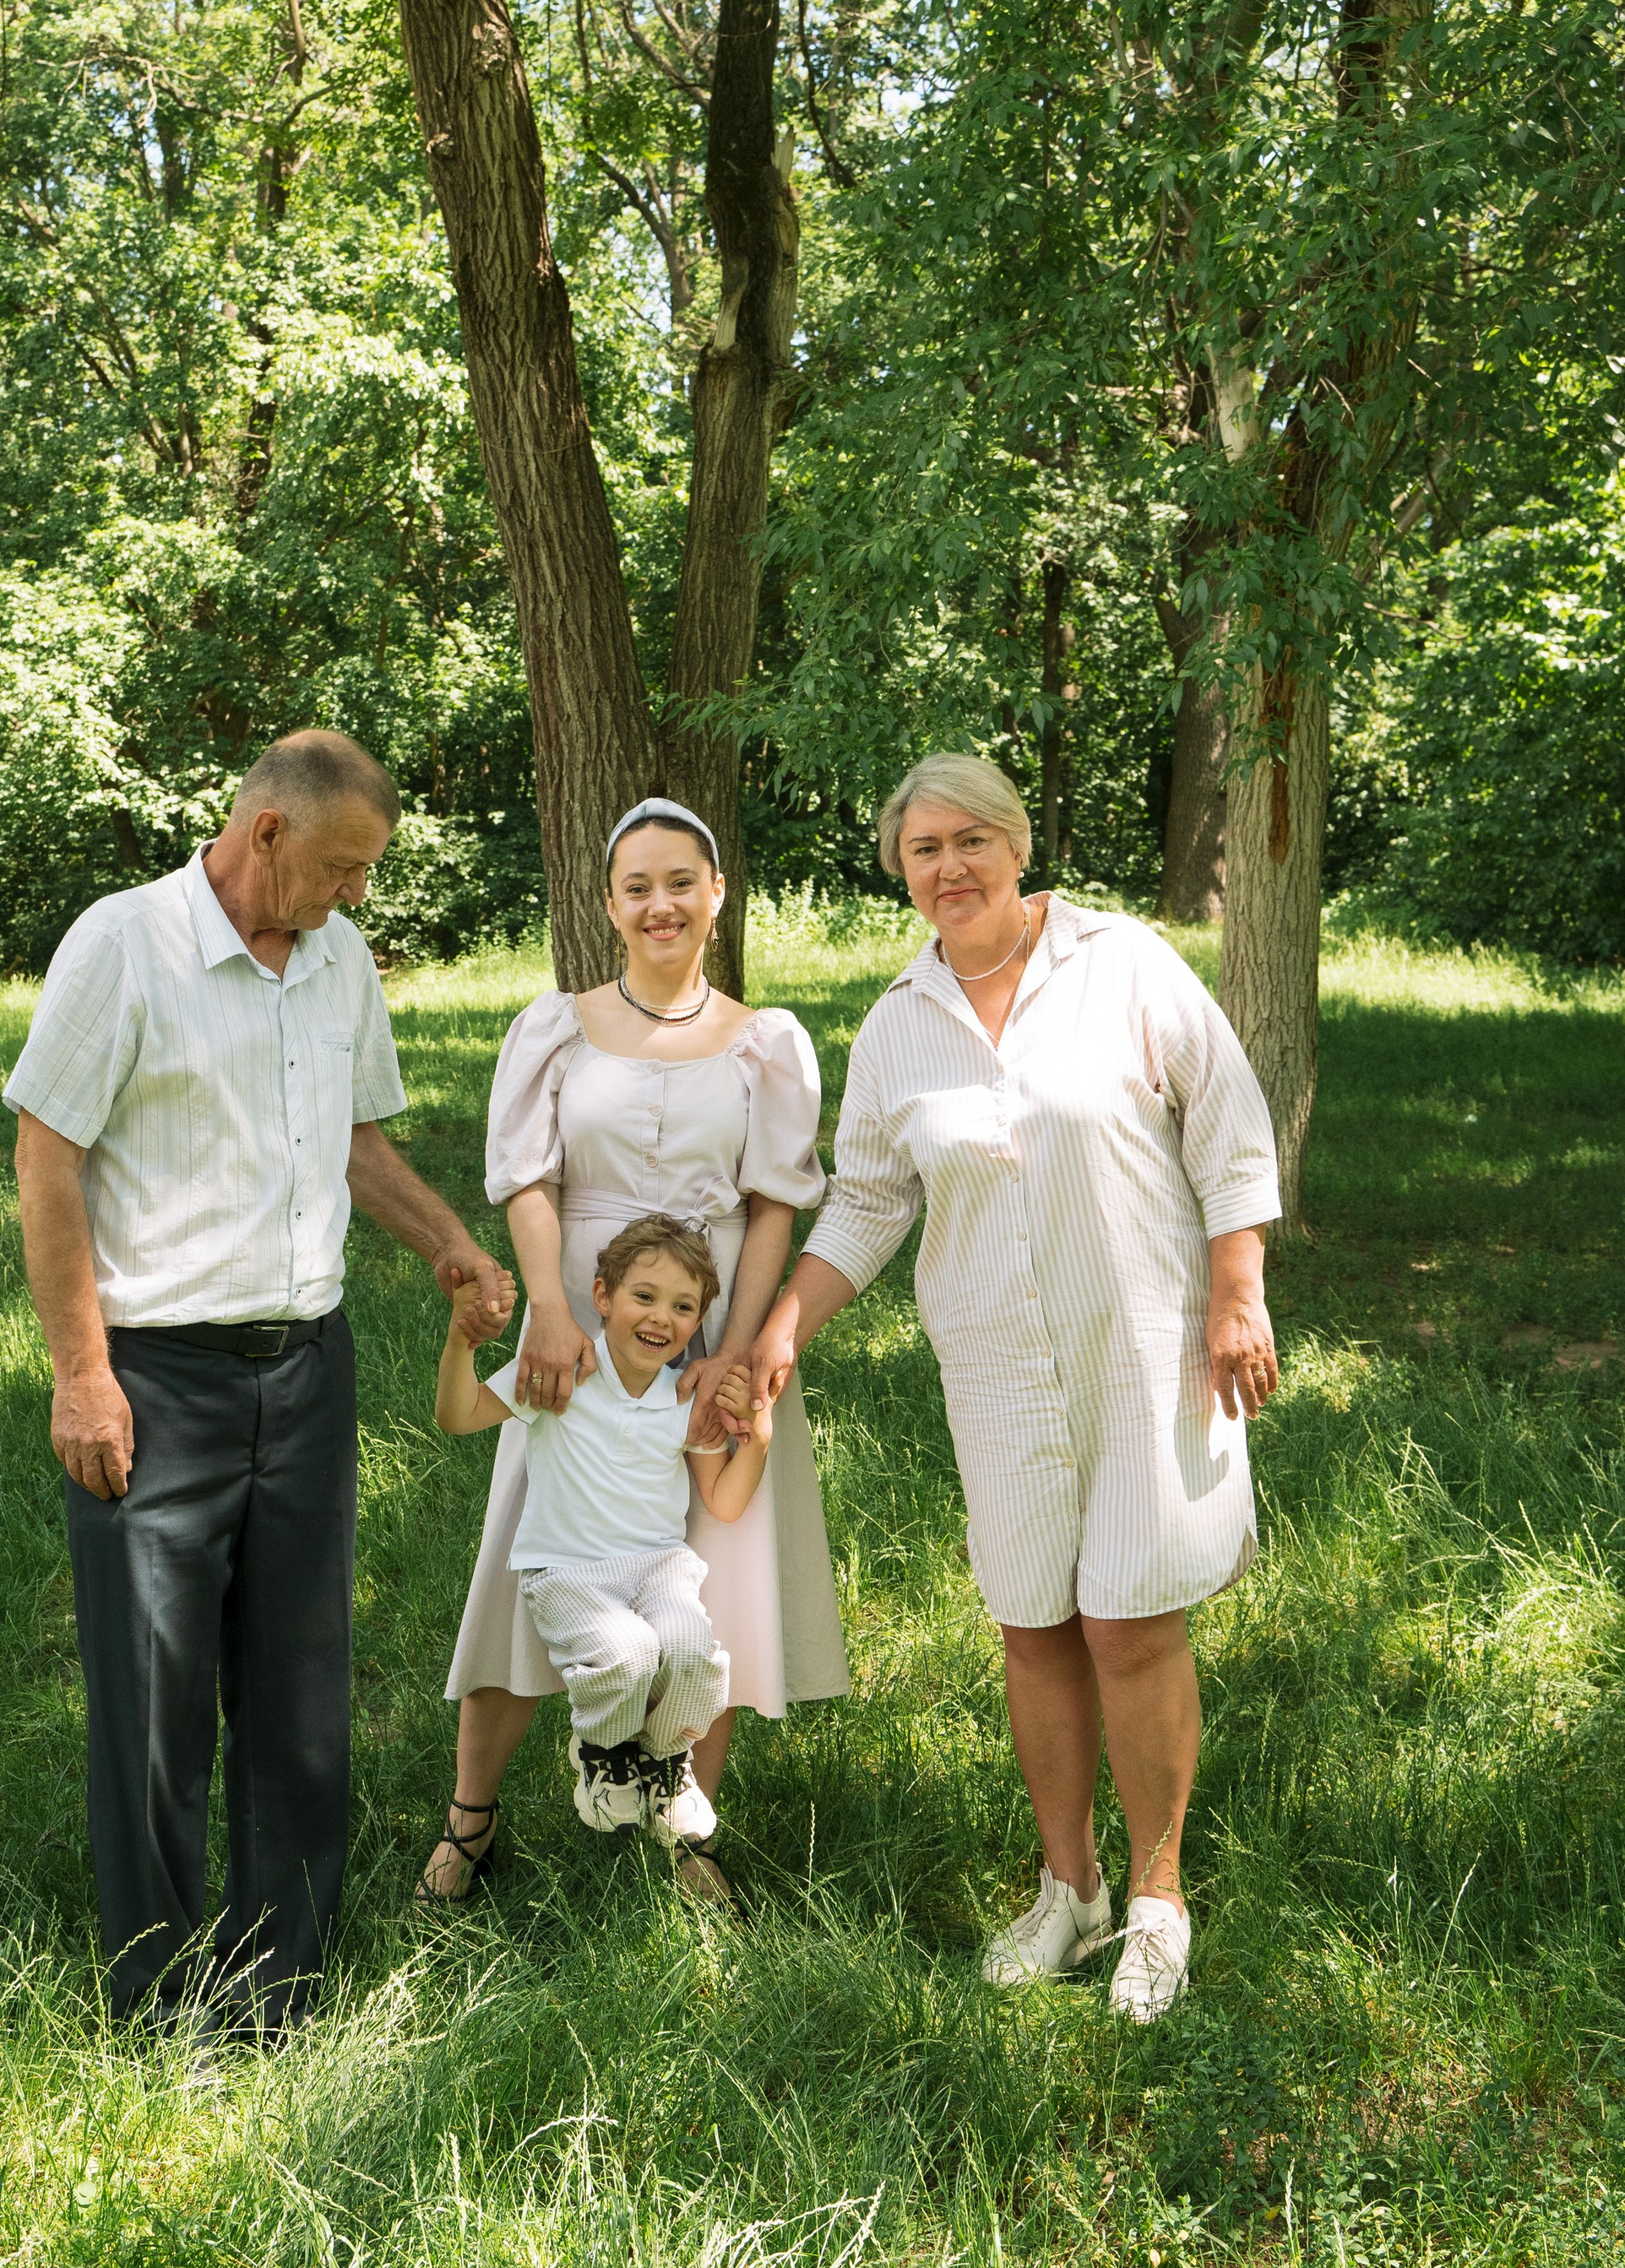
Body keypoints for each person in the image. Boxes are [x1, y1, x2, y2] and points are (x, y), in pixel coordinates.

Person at [745, 751, 1282, 2022]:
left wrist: (1238, 1291)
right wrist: (781, 1330)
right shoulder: (897, 1024)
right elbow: (869, 1201)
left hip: (1140, 1347)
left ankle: (1159, 1900)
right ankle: (1072, 1891)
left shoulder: (1125, 964)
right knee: (1035, 1623)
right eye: (923, 851)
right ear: (903, 872)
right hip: (994, 1365)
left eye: (970, 841)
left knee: (1132, 1621)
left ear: (1018, 844)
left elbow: (1227, 1122)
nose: (950, 868)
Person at [4, 730, 513, 2047]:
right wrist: (82, 1378)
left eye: (368, 873)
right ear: (267, 834)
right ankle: (158, 2001)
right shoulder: (125, 946)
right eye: (343, 867)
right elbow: (47, 1159)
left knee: (298, 1695)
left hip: (305, 1369)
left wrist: (448, 1242)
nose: (357, 895)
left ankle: (277, 1992)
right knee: (155, 1701)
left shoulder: (338, 959)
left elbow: (355, 1139)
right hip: (157, 1377)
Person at [422, 799, 848, 1912]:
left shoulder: (767, 1044)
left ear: (717, 895)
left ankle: (679, 1823)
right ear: (608, 905)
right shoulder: (555, 1028)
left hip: (709, 1323)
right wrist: (551, 1315)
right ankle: (472, 1815)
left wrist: (738, 1351)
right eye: (637, 886)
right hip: (583, 1318)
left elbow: (769, 1208)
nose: (660, 904)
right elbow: (528, 1178)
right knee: (531, 1549)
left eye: (681, 882)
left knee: (711, 1572)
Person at [434, 1213, 772, 1860]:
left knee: (692, 1651)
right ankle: (603, 1752)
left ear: (698, 1323)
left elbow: (724, 1501)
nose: (660, 1317)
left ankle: (667, 1766)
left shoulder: (684, 1398)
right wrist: (460, 1345)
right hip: (568, 1571)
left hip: (658, 1569)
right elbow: (457, 1416)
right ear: (603, 1297)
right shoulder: (563, 1375)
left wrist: (757, 1437)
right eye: (644, 1296)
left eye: (682, 1307)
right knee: (629, 1654)